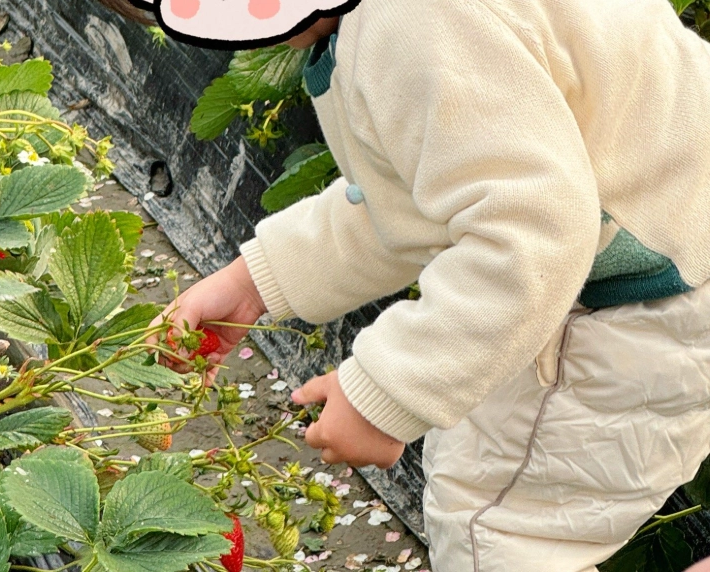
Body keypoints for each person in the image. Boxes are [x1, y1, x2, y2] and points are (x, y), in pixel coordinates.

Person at [109, 1, 710, 570]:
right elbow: (417, 195)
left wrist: (383, 394)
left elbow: (530, 229)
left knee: (494, 528)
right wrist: (256, 282)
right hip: (663, 229)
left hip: (664, 291)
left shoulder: (411, 26)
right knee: (485, 463)